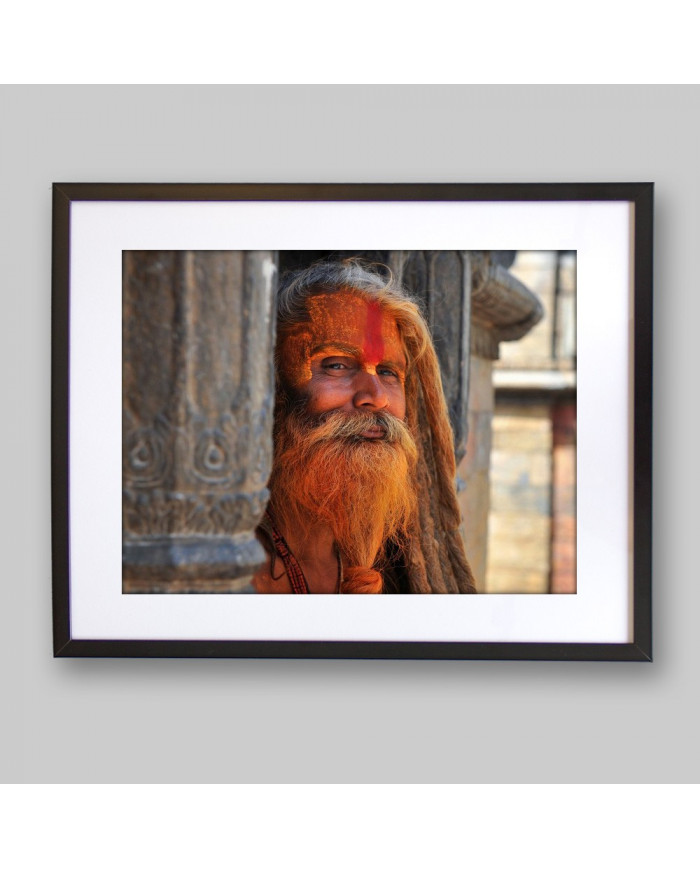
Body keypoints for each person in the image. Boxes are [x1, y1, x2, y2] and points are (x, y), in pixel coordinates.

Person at [253, 258, 476, 594]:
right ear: (273, 384)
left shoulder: (402, 565)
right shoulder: (229, 559)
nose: (375, 397)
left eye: (388, 372)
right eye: (337, 365)